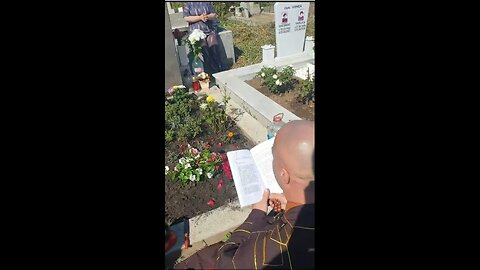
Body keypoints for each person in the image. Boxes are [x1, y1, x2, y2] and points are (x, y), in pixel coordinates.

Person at [174, 120, 315, 269]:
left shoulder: (278, 248)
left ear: (284, 175)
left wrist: (257, 214)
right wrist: (292, 204)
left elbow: (227, 261)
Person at [183, 2, 224, 73]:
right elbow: (186, 18)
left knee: (213, 47)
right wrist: (199, 17)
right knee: (205, 49)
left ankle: (219, 69)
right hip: (197, 31)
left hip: (208, 29)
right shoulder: (188, 3)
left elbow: (213, 14)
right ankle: (211, 72)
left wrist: (207, 16)